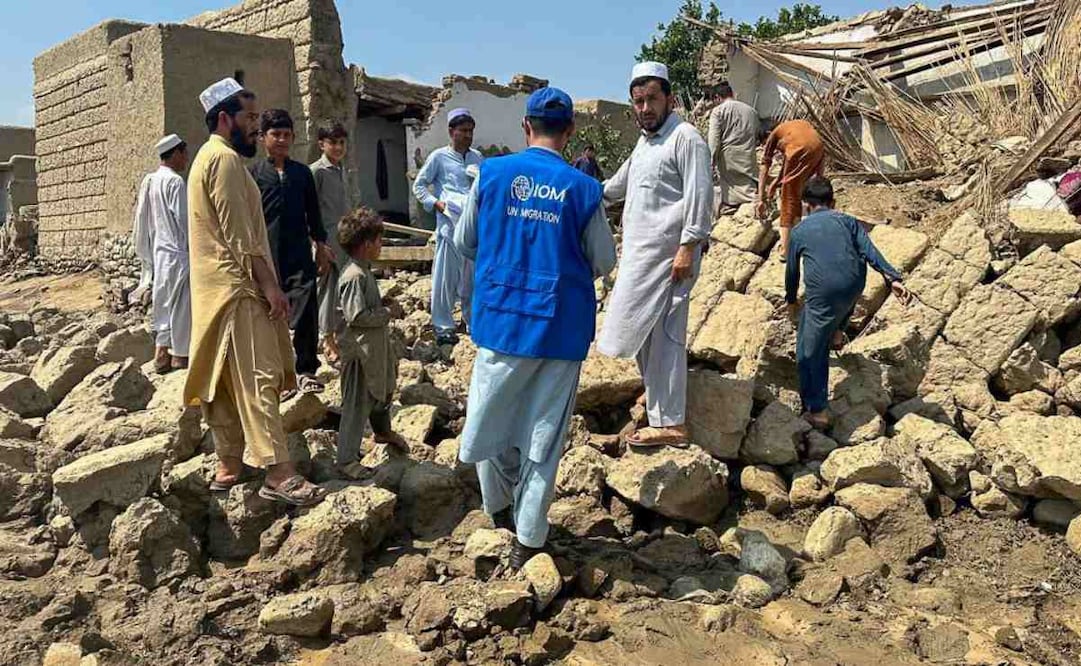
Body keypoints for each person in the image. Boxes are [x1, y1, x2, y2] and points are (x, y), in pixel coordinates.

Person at [454, 87, 617, 569]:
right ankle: (529, 536)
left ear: (526, 127)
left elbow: (465, 242)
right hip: (559, 329)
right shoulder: (583, 189)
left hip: (500, 321)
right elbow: (604, 259)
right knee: (544, 437)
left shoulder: (491, 174)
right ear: (569, 132)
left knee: (490, 420)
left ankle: (498, 508)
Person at [184, 77, 326, 507]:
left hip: (213, 292)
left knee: (224, 381)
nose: (255, 126)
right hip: (238, 291)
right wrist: (270, 287)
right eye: (249, 117)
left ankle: (229, 465)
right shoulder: (225, 161)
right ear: (224, 119)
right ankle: (278, 472)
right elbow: (241, 237)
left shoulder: (205, 158)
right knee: (259, 377)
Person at [598, 62, 713, 448]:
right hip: (639, 256)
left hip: (670, 258)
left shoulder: (686, 138)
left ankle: (671, 423)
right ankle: (657, 396)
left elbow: (700, 196)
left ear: (670, 99)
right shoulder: (645, 143)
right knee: (641, 332)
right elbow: (614, 188)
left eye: (652, 99)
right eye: (639, 101)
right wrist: (575, 190)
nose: (645, 108)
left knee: (665, 335)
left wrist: (688, 247)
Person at [785, 177, 909, 430]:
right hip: (854, 287)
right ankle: (838, 332)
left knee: (808, 351)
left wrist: (791, 301)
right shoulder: (848, 222)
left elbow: (792, 272)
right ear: (833, 202)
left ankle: (817, 411)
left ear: (805, 205)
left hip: (823, 293)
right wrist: (892, 278)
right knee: (845, 294)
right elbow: (869, 250)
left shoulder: (798, 231)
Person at [250, 109, 334, 394]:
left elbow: (314, 213)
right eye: (276, 134)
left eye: (287, 134)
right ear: (263, 138)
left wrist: (320, 245)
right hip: (267, 257)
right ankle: (275, 373)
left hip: (299, 253)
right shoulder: (253, 175)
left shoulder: (302, 173)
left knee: (306, 305)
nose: (282, 140)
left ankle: (306, 370)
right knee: (268, 312)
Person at [335, 206, 408, 477]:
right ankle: (346, 460)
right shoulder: (354, 276)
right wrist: (387, 312)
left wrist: (382, 303)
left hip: (373, 348)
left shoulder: (363, 271)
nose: (381, 245)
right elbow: (356, 316)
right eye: (379, 240)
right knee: (356, 404)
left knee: (383, 390)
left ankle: (383, 431)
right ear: (366, 245)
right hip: (359, 354)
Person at [412, 108, 485, 346]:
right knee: (445, 279)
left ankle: (472, 322)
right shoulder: (439, 157)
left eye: (470, 131)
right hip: (449, 227)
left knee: (471, 280)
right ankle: (443, 327)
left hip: (472, 228)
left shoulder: (477, 158)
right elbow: (419, 186)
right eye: (463, 131)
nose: (468, 135)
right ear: (451, 131)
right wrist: (436, 203)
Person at [132, 134, 192, 374]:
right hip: (178, 253)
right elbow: (184, 220)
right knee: (181, 305)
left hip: (160, 253)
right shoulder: (175, 182)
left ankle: (161, 353)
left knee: (164, 303)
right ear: (176, 153)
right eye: (184, 154)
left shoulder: (151, 180)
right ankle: (179, 356)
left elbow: (143, 218)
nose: (186, 159)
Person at [311, 119, 355, 364]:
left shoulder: (342, 170)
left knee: (342, 290)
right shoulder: (317, 171)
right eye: (332, 142)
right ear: (321, 144)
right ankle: (326, 339)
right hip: (325, 242)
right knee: (327, 291)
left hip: (344, 240)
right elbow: (308, 211)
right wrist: (318, 244)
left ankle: (340, 335)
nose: (338, 147)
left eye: (341, 142)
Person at [756, 119, 826, 257]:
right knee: (801, 193)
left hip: (801, 149)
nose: (770, 148)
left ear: (768, 134)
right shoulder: (792, 128)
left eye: (765, 143)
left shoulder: (774, 135)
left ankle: (785, 249)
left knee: (787, 198)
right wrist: (776, 182)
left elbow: (764, 168)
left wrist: (760, 199)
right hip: (819, 148)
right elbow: (789, 163)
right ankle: (803, 233)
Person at [707, 82, 759, 213]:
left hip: (728, 157)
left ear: (717, 97)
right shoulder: (751, 111)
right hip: (748, 154)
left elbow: (714, 140)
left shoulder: (718, 111)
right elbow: (757, 134)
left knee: (731, 191)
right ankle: (754, 204)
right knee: (748, 185)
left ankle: (732, 208)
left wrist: (711, 160)